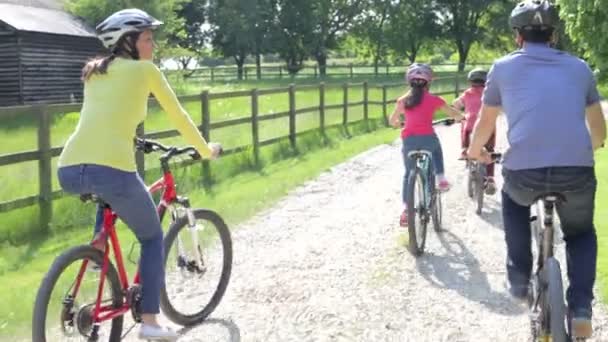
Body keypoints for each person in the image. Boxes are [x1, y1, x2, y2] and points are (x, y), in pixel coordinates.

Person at [57, 9, 222, 340]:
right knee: (151, 237)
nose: (153, 44)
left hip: (71, 168)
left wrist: (133, 138)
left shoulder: (93, 73)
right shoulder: (146, 71)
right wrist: (205, 150)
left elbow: (105, 117)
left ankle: (98, 246)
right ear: (128, 44)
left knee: (111, 195)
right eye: (147, 38)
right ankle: (149, 321)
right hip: (113, 169)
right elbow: (180, 116)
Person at [467, 0, 606, 338]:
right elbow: (599, 130)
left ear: (518, 36)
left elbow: (486, 123)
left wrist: (475, 152)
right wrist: (593, 146)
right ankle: (582, 308)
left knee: (513, 203)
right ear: (554, 34)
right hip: (575, 172)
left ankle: (518, 278)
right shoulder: (580, 68)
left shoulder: (501, 68)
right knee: (580, 233)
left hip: (523, 172)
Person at [389, 63, 464, 227]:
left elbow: (392, 120)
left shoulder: (403, 100)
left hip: (408, 141)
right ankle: (441, 178)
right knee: (436, 149)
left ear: (409, 82)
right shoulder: (434, 99)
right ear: (429, 82)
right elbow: (452, 113)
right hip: (427, 138)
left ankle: (406, 210)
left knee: (408, 173)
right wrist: (461, 117)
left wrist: (399, 124)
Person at [453, 68, 497, 194]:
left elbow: (456, 104)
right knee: (490, 151)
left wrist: (460, 109)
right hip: (488, 127)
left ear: (470, 81)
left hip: (471, 125)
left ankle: (465, 149)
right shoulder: (490, 93)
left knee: (465, 124)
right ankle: (490, 178)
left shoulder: (467, 93)